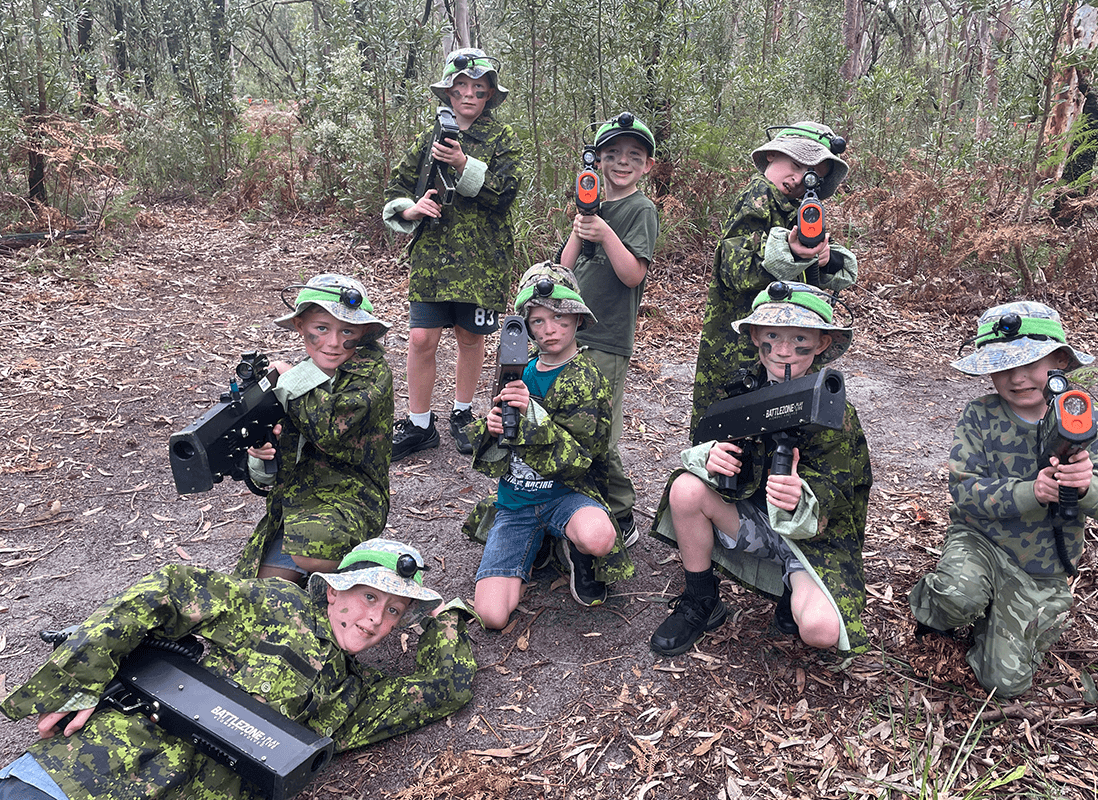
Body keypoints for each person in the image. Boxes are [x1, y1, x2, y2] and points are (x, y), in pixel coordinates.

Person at [0, 538, 477, 800]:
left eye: (394, 611)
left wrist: (445, 616)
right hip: (87, 772)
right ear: (334, 591)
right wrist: (82, 680)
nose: (375, 619)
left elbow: (447, 688)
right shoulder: (277, 603)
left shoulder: (356, 693)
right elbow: (170, 586)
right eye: (369, 596)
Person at [908, 301, 1098, 699]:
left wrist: (1086, 486)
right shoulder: (980, 416)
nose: (1017, 378)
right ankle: (938, 610)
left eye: (1030, 363)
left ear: (1060, 361)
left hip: (1042, 568)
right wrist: (1032, 492)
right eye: (1002, 367)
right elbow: (963, 491)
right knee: (956, 595)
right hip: (981, 542)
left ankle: (995, 622)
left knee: (1005, 683)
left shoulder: (1088, 421)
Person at [649, 282, 872, 658]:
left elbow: (843, 495)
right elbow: (709, 442)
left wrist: (804, 495)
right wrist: (711, 456)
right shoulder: (742, 391)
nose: (784, 350)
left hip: (812, 541)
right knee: (686, 489)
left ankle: (792, 589)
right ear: (755, 337)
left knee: (819, 629)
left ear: (821, 343)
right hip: (756, 522)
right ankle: (701, 600)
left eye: (799, 338)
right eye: (772, 336)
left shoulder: (834, 409)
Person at [463, 262, 633, 629]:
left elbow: (582, 461)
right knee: (492, 616)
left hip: (566, 495)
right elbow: (493, 446)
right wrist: (490, 427)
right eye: (537, 321)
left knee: (598, 537)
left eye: (559, 317)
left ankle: (575, 552)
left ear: (578, 319)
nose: (549, 329)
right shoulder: (517, 369)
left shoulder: (587, 378)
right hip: (516, 503)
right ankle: (539, 544)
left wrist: (531, 418)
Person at [383, 48, 524, 461]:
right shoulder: (428, 137)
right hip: (433, 258)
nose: (469, 95)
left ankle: (462, 414)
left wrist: (464, 164)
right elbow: (397, 187)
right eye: (461, 86)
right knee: (421, 338)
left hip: (483, 260)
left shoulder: (502, 138)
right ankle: (419, 424)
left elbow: (505, 194)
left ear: (489, 94)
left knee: (470, 337)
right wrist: (411, 209)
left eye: (478, 88)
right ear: (448, 91)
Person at [690, 121, 858, 439]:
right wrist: (789, 255)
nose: (800, 178)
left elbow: (815, 282)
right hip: (742, 346)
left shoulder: (799, 208)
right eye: (796, 164)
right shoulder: (760, 194)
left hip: (778, 346)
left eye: (814, 174)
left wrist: (823, 258)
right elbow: (736, 270)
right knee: (730, 430)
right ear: (772, 155)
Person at [236, 273, 394, 583]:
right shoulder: (303, 374)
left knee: (313, 552)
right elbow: (266, 478)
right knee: (255, 594)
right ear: (300, 326)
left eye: (347, 331)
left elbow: (328, 429)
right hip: (295, 506)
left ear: (363, 332)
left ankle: (352, 580)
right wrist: (261, 453)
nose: (333, 342)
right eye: (321, 329)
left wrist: (288, 379)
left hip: (353, 499)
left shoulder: (372, 373)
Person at [558, 112, 660, 549]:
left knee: (599, 430)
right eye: (613, 153)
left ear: (648, 165)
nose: (622, 162)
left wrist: (605, 233)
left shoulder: (641, 210)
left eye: (634, 155)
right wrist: (584, 225)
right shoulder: (594, 206)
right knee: (568, 421)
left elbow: (633, 274)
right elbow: (562, 271)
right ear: (597, 160)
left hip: (608, 338)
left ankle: (621, 513)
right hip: (570, 335)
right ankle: (579, 505)